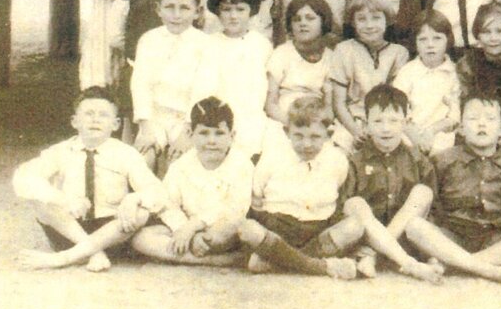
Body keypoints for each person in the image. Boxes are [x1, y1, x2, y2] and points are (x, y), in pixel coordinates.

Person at [14, 87, 165, 272]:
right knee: (39, 201)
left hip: (113, 233)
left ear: (116, 124)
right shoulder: (61, 151)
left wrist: (134, 198)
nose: (95, 119)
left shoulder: (126, 154)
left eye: (103, 115)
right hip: (70, 233)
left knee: (141, 212)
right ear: (75, 121)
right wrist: (65, 200)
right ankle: (93, 252)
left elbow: (156, 191)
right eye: (88, 114)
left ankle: (63, 259)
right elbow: (23, 177)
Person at [404, 96, 501, 285]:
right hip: (451, 236)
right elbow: (433, 208)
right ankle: (488, 270)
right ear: (461, 128)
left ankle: (453, 264)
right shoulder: (444, 160)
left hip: (493, 239)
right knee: (414, 227)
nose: (481, 124)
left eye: (490, 119)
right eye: (473, 119)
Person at [235, 98, 354, 278]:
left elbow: (337, 187)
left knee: (354, 227)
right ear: (287, 132)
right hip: (277, 227)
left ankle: (277, 259)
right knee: (247, 228)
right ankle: (320, 267)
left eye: (315, 137)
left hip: (317, 230)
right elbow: (257, 196)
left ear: (328, 135)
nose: (306, 144)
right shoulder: (273, 156)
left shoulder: (337, 160)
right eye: (298, 135)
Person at [339, 85, 444, 282]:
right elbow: (344, 211)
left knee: (423, 192)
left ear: (405, 123)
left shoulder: (418, 160)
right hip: (367, 236)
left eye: (394, 121)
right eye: (378, 121)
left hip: (406, 239)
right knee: (354, 203)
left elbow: (432, 209)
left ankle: (374, 254)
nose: (386, 128)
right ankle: (404, 262)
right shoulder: (356, 161)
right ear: (366, 124)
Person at [131, 98, 252, 267]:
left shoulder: (241, 163)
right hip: (187, 229)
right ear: (190, 134)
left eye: (219, 133)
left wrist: (193, 227)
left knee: (230, 228)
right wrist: (184, 230)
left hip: (220, 230)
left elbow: (236, 207)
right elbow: (168, 205)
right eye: (204, 133)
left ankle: (198, 253)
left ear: (232, 136)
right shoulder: (181, 165)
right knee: (141, 238)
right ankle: (214, 261)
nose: (211, 140)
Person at [108, 0, 184, 144]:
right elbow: (115, 36)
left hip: (176, 70)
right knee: (134, 124)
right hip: (138, 68)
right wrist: (135, 52)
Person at [131, 0, 216, 176]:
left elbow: (203, 90)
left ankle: (172, 205)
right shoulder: (148, 40)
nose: (176, 15)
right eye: (169, 7)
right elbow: (140, 84)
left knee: (179, 165)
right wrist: (146, 127)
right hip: (154, 117)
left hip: (187, 120)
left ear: (197, 11)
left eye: (185, 8)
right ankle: (146, 203)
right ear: (158, 9)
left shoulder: (206, 45)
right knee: (142, 160)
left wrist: (188, 131)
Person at [328, 0, 409, 152]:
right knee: (340, 151)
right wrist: (355, 131)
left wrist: (377, 127)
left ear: (387, 20)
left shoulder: (398, 53)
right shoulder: (343, 50)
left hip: (386, 120)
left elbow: (395, 99)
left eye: (376, 18)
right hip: (351, 121)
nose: (369, 25)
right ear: (353, 22)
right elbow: (338, 103)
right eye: (362, 19)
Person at [205, 0, 273, 156]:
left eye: (240, 9)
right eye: (227, 9)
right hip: (219, 118)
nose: (233, 16)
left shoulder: (261, 44)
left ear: (251, 11)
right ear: (218, 12)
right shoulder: (210, 44)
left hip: (253, 118)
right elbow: (204, 86)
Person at [455, 2, 501, 155]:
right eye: (486, 32)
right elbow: (464, 102)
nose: (493, 38)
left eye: (500, 31)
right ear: (478, 35)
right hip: (475, 127)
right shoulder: (469, 62)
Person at [392, 9, 460, 156]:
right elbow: (397, 107)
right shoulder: (407, 72)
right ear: (415, 42)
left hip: (442, 137)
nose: (430, 45)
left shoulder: (455, 74)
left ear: (448, 40)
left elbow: (455, 114)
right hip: (409, 135)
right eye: (423, 39)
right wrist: (414, 136)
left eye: (437, 38)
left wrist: (431, 131)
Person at [265, 0, 336, 124]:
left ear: (323, 22)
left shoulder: (331, 58)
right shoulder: (282, 53)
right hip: (283, 118)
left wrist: (319, 124)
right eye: (297, 19)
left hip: (316, 121)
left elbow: (329, 107)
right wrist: (290, 124)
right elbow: (270, 105)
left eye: (310, 18)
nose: (303, 23)